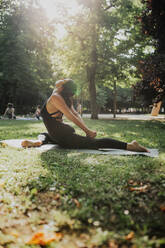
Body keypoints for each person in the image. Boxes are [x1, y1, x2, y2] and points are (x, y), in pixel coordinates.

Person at [21, 79, 149, 152]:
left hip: (61, 135)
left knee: (94, 143)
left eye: (63, 82)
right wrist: (86, 129)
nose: (61, 81)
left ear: (62, 88)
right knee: (45, 134)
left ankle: (130, 146)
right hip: (57, 133)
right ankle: (39, 141)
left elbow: (72, 116)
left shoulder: (56, 97)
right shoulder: (61, 97)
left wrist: (87, 130)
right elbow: (75, 114)